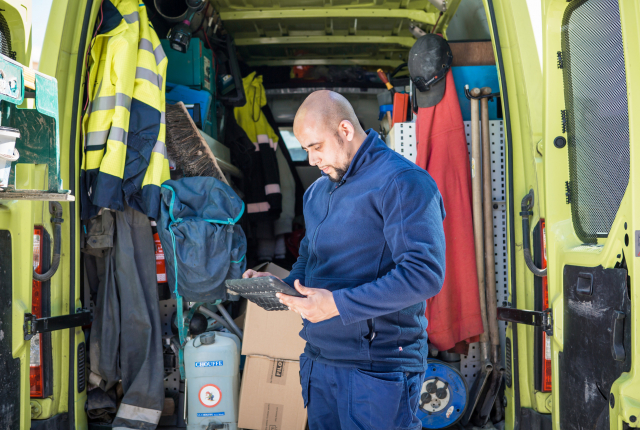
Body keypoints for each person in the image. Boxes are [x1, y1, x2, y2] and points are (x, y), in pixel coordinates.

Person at [242, 90, 446, 430]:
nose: (311, 160)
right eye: (305, 149)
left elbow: (424, 274)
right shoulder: (317, 192)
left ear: (345, 130)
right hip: (320, 359)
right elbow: (309, 255)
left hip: (377, 367)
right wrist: (282, 287)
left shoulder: (402, 182)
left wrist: (336, 304)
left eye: (316, 147)